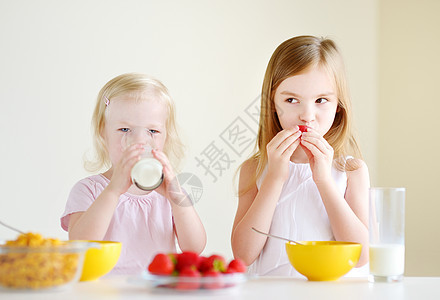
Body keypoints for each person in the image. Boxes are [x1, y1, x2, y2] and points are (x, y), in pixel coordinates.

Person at [231, 36, 370, 277]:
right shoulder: (255, 170)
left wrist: (324, 182)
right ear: (273, 103)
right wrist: (274, 178)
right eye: (291, 100)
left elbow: (360, 256)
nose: (307, 115)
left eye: (321, 100)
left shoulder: (352, 171)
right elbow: (242, 256)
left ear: (338, 105)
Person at [61, 73, 206, 274]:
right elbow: (80, 245)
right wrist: (112, 192)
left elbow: (195, 247)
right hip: (104, 292)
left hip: (157, 290)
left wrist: (177, 198)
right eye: (125, 129)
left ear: (166, 136)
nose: (139, 141)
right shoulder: (89, 190)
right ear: (104, 133)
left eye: (152, 132)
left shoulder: (169, 193)